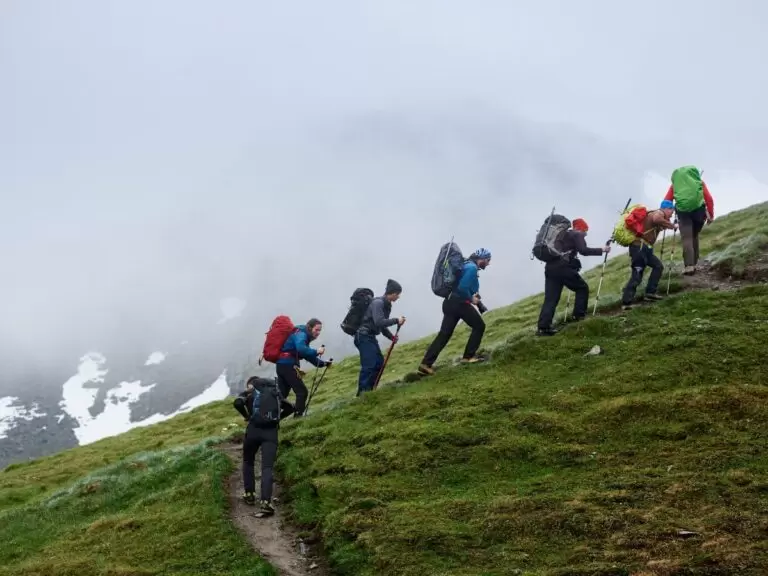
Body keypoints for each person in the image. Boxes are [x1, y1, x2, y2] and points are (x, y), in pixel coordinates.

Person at [418, 249, 491, 376]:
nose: (488, 263)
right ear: (482, 259)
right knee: (479, 326)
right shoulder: (472, 268)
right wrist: (471, 299)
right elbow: (462, 288)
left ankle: (426, 363)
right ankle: (468, 357)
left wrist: (474, 297)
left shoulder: (466, 264)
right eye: (488, 260)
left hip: (449, 302)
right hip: (460, 304)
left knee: (444, 334)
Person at [536, 219, 608, 336]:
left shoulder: (562, 235)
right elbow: (583, 250)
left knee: (551, 299)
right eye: (585, 231)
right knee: (582, 288)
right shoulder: (577, 234)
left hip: (550, 268)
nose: (585, 235)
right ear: (580, 228)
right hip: (563, 268)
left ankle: (543, 328)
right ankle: (579, 317)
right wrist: (602, 250)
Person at [242, 376, 295, 516]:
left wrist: (247, 416)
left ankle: (249, 494)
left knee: (248, 461)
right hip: (271, 433)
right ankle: (265, 502)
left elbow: (237, 403)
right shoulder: (274, 392)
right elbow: (290, 407)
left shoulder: (250, 394)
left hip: (253, 431)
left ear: (252, 385)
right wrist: (277, 419)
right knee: (267, 467)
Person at [621, 200, 677, 310]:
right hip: (639, 247)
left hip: (645, 248)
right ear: (667, 209)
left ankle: (650, 293)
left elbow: (654, 224)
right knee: (637, 274)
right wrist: (672, 225)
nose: (672, 214)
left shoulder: (654, 214)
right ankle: (626, 303)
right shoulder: (659, 213)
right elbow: (656, 219)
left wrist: (666, 224)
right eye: (672, 211)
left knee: (658, 266)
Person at [354, 279, 405, 395]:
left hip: (369, 336)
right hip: (363, 336)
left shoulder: (386, 305)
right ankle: (362, 394)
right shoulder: (378, 303)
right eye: (397, 294)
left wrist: (391, 337)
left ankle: (370, 390)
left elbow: (381, 326)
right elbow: (379, 322)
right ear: (392, 293)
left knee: (379, 362)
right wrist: (396, 320)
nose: (398, 296)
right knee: (369, 365)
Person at [663, 166, 715, 275]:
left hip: (683, 214)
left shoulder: (675, 185)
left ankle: (689, 266)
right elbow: (709, 199)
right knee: (694, 235)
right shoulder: (699, 182)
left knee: (687, 239)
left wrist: (664, 218)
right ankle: (694, 262)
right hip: (699, 213)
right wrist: (711, 215)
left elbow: (667, 201)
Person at [275, 318, 331, 417]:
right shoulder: (301, 334)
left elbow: (306, 354)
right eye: (316, 330)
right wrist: (317, 351)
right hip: (288, 365)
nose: (318, 333)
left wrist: (323, 364)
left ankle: (271, 418)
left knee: (281, 395)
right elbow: (302, 349)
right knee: (302, 392)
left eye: (320, 330)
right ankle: (298, 417)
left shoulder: (300, 333)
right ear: (309, 327)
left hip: (281, 365)